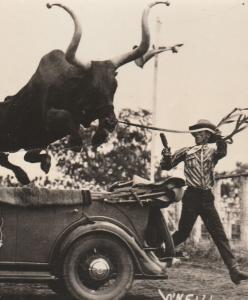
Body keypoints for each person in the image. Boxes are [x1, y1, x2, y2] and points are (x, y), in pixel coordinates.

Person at [160, 119, 248, 285]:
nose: (197, 136)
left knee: (219, 234)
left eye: (201, 133)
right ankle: (161, 251)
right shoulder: (186, 151)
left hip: (207, 197)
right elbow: (167, 165)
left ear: (208, 135)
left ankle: (234, 270)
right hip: (191, 197)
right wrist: (166, 155)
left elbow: (223, 151)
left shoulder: (213, 152)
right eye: (196, 133)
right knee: (183, 232)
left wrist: (220, 137)